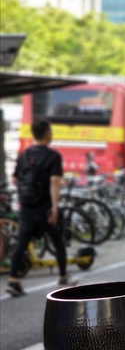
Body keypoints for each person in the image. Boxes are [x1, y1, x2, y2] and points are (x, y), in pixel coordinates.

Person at [6, 119, 72, 297]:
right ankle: (63, 277)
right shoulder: (53, 156)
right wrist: (55, 207)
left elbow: (14, 179)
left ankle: (13, 279)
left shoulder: (24, 155)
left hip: (27, 208)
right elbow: (54, 181)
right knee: (57, 240)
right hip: (44, 208)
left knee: (21, 244)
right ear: (47, 134)